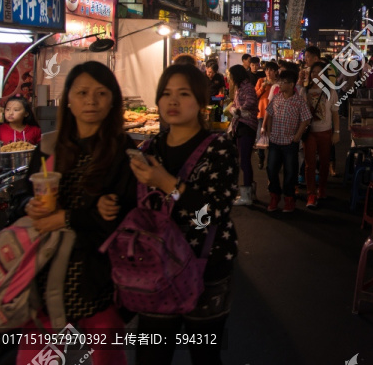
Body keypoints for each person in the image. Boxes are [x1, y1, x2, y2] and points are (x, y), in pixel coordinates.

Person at [16, 62, 136, 365]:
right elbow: (22, 196)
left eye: (100, 93)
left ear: (113, 100)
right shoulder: (47, 147)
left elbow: (123, 220)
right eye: (82, 92)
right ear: (68, 98)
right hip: (41, 282)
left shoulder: (124, 152)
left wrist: (65, 218)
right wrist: (28, 205)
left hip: (96, 283)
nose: (91, 101)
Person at [124, 64, 238, 365]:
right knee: (150, 357)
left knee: (204, 356)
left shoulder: (220, 149)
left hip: (205, 267)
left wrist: (167, 184)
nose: (172, 102)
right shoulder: (149, 149)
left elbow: (210, 216)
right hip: (155, 268)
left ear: (201, 101)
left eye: (183, 94)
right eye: (166, 94)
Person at [263, 69, 311, 213]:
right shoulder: (277, 98)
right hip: (275, 141)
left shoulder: (299, 101)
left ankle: (289, 199)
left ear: (291, 85)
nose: (280, 84)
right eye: (280, 82)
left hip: (290, 142)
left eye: (283, 82)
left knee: (290, 172)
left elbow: (306, 119)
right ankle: (275, 196)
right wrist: (269, 130)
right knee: (271, 169)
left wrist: (297, 136)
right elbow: (269, 112)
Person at [302, 61, 340, 208]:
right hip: (310, 132)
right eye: (313, 72)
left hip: (325, 132)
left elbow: (335, 114)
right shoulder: (304, 91)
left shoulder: (331, 91)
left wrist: (336, 132)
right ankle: (311, 194)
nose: (315, 74)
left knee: (324, 163)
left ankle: (322, 189)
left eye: (319, 72)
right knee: (309, 165)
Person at [227, 64, 258, 206]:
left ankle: (247, 195)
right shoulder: (239, 88)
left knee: (244, 160)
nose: (229, 78)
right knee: (243, 160)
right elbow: (235, 104)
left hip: (246, 127)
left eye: (231, 75)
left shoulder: (247, 88)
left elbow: (251, 103)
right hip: (240, 126)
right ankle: (249, 191)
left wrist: (237, 110)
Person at [255, 61, 279, 169]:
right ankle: (261, 157)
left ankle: (272, 160)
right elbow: (255, 95)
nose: (268, 72)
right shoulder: (260, 81)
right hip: (262, 113)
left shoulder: (278, 84)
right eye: (266, 70)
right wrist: (262, 87)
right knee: (261, 136)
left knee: (273, 138)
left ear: (276, 72)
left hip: (274, 115)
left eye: (271, 70)